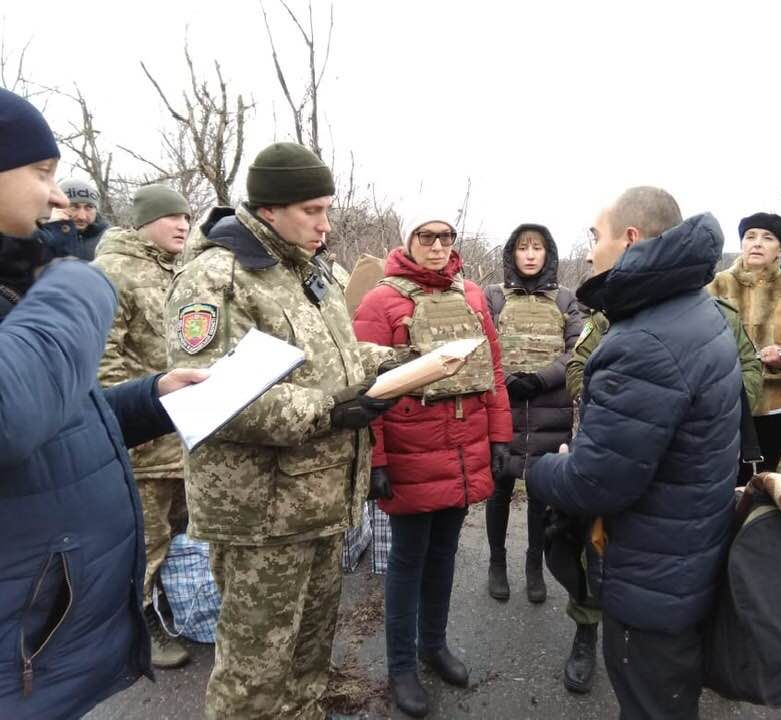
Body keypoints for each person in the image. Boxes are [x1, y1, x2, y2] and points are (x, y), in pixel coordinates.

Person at [166, 142, 395, 719]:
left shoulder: (306, 269)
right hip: (260, 514)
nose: (326, 224)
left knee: (309, 653)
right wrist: (328, 409)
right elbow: (209, 394)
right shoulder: (216, 277)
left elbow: (330, 356)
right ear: (269, 208)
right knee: (255, 673)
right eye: (312, 210)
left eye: (326, 208)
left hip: (316, 502)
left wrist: (392, 362)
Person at [0, 87, 205, 720]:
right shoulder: (78, 273)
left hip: (36, 645)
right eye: (41, 173)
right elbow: (13, 416)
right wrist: (75, 277)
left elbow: (55, 412)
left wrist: (150, 399)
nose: (58, 197)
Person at [528, 187, 741, 719]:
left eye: (595, 236)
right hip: (685, 554)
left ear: (629, 238)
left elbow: (596, 482)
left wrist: (543, 468)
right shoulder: (695, 310)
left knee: (650, 703)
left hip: (651, 575)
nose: (590, 250)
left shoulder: (645, 341)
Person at [558, 288, 761, 697]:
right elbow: (577, 366)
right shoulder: (612, 315)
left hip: (691, 465)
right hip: (614, 450)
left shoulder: (720, 316)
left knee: (684, 561)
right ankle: (585, 631)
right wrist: (621, 404)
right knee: (593, 547)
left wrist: (703, 408)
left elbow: (750, 371)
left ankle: (692, 652)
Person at [353, 215, 513, 718]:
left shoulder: (471, 297)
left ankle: (434, 645)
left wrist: (500, 437)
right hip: (409, 450)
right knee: (407, 559)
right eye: (428, 237)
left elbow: (495, 370)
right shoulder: (381, 302)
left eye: (446, 238)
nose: (439, 246)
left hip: (464, 449)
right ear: (409, 243)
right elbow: (365, 385)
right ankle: (401, 665)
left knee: (444, 552)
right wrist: (375, 459)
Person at [92, 184, 193, 669]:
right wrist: (133, 422)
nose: (182, 225)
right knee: (146, 539)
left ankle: (172, 605)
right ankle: (138, 626)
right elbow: (102, 360)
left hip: (185, 431)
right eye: (172, 217)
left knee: (179, 529)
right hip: (145, 437)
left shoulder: (180, 269)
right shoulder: (112, 271)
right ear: (144, 222)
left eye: (187, 219)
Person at [483, 223, 583, 605]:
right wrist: (506, 379)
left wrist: (540, 380)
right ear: (512, 253)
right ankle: (496, 564)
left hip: (548, 408)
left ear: (547, 254)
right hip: (503, 406)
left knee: (541, 491)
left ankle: (533, 567)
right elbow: (484, 343)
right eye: (523, 247)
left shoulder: (564, 299)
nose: (529, 254)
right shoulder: (494, 296)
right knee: (499, 488)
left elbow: (577, 351)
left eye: (536, 248)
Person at [707, 212, 781, 483]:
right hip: (725, 404)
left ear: (780, 249)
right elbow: (701, 344)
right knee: (718, 480)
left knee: (760, 481)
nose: (757, 243)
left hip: (775, 408)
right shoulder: (716, 284)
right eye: (750, 237)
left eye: (767, 238)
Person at [40, 178, 109, 260]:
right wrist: (54, 229)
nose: (82, 217)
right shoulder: (37, 236)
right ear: (57, 207)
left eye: (89, 207)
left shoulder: (109, 240)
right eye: (73, 207)